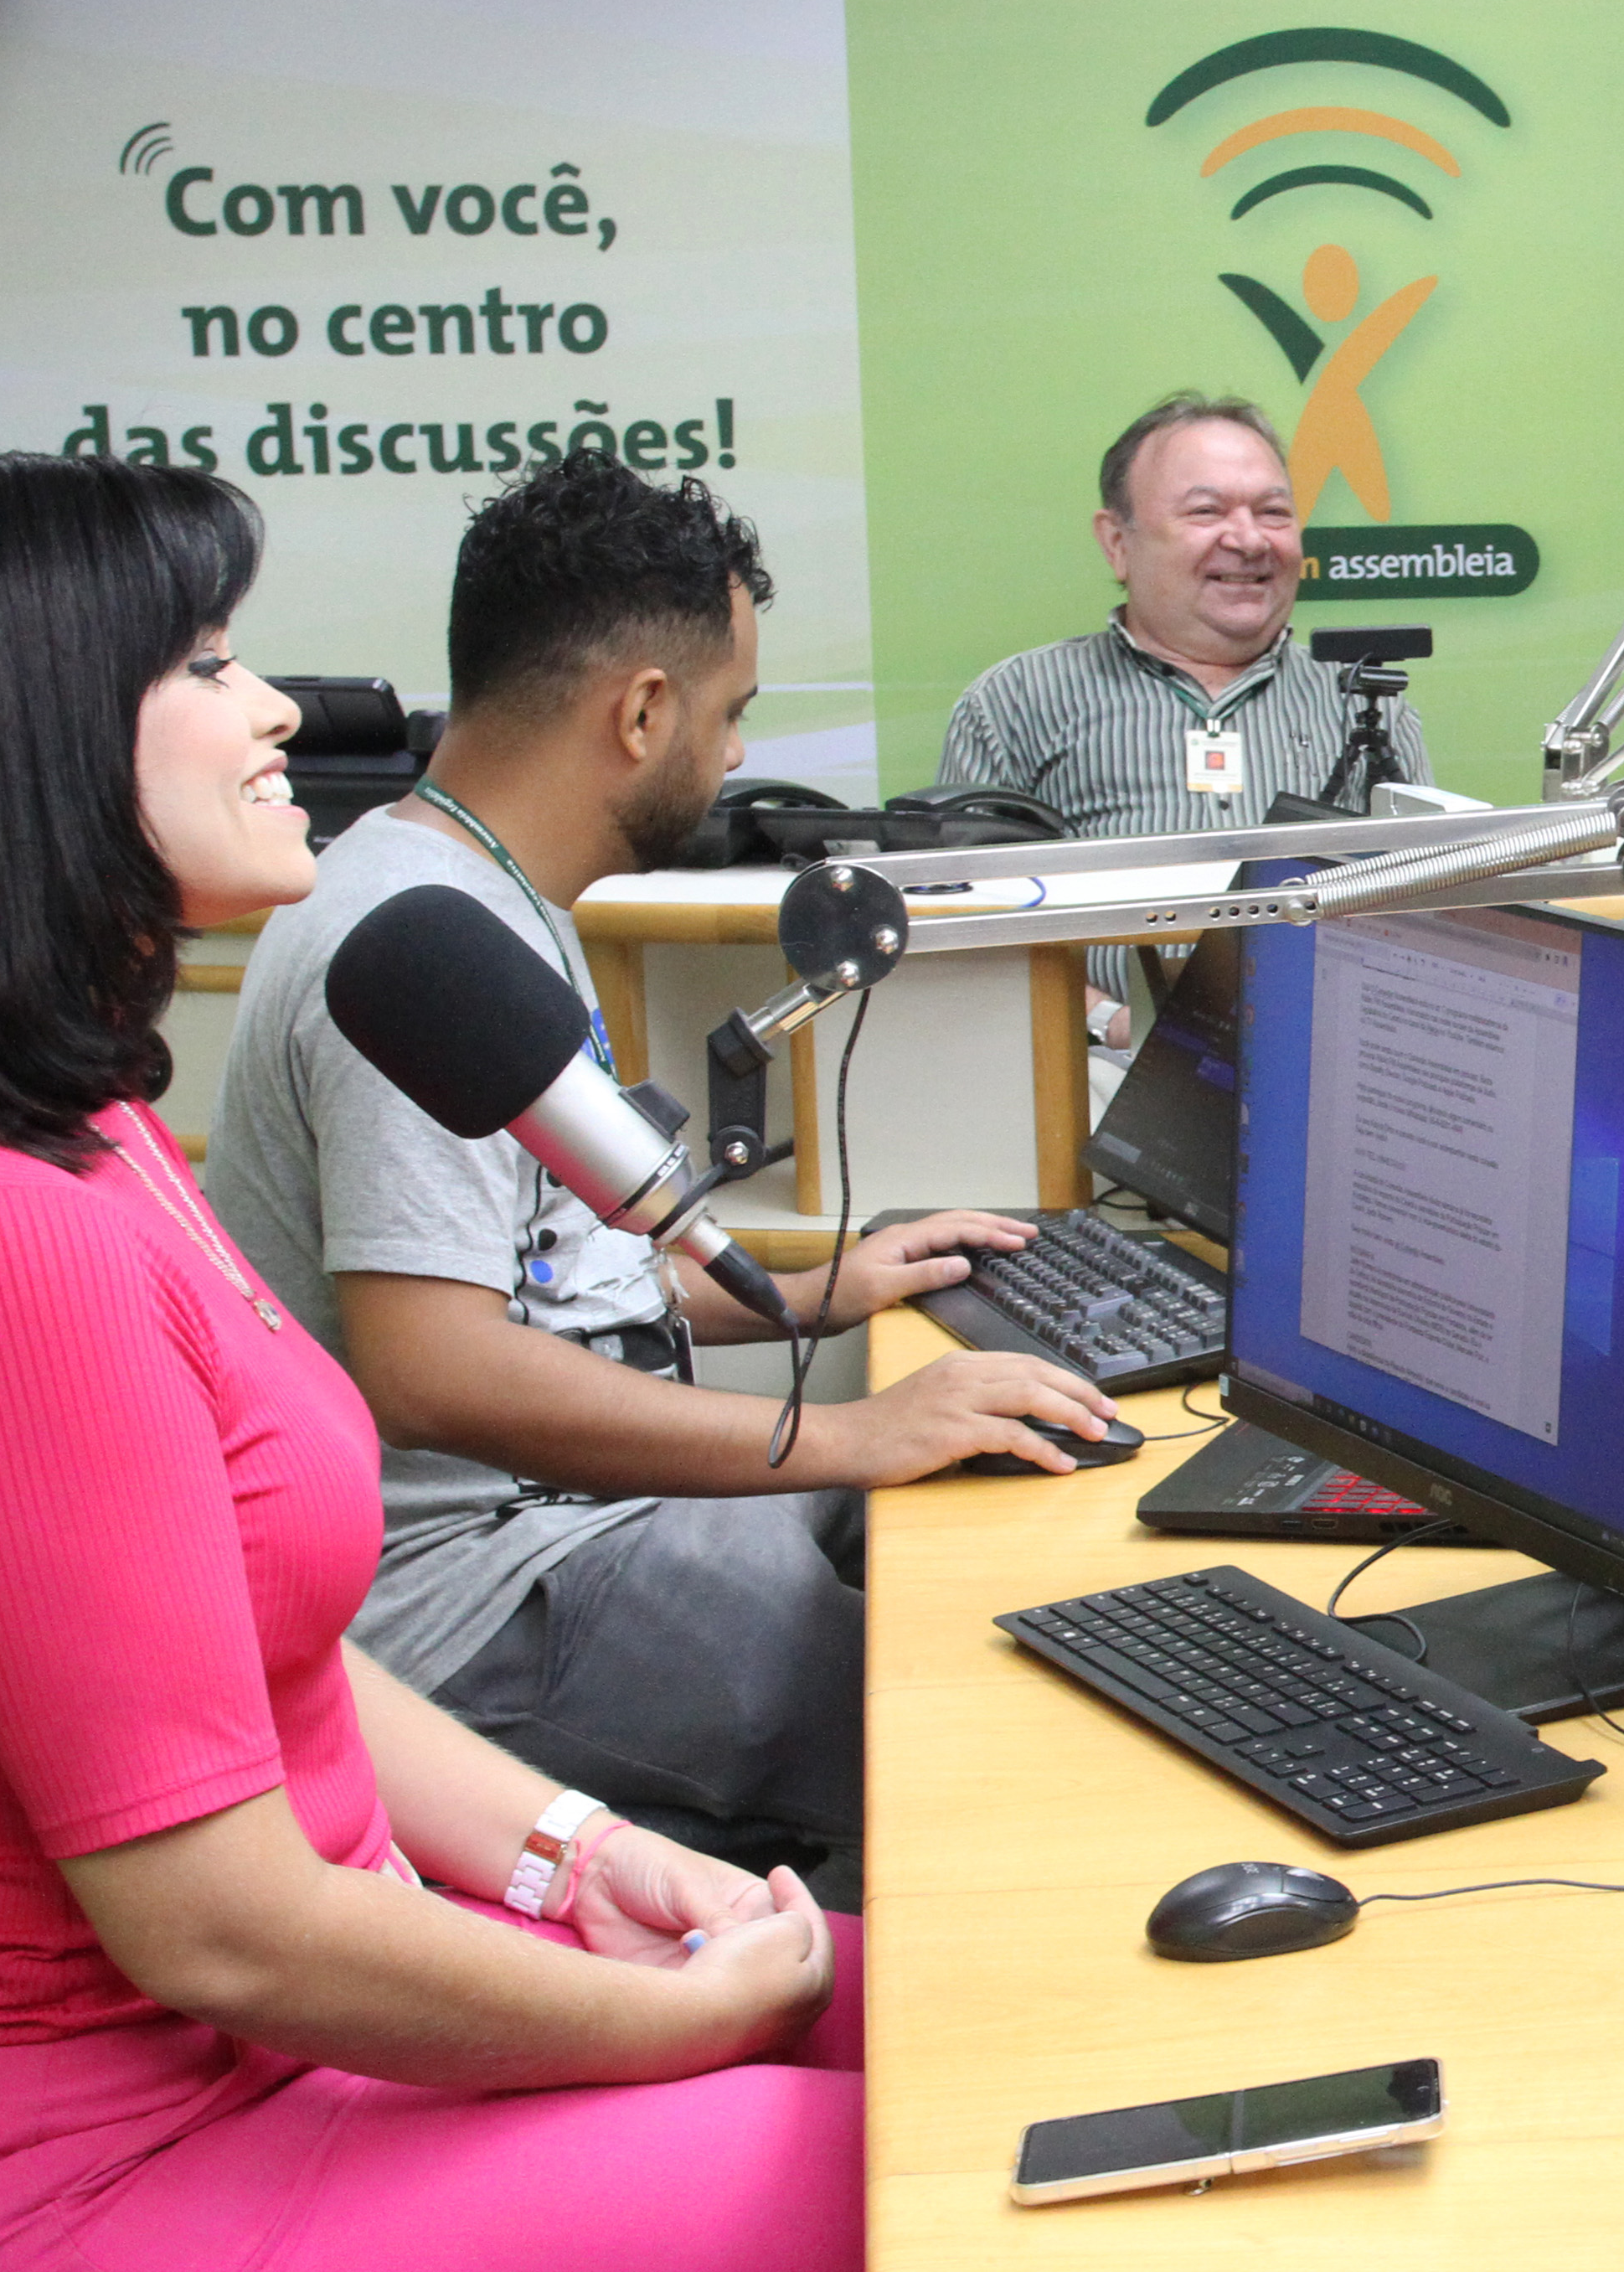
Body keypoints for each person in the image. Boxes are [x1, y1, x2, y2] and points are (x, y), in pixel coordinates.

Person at [0, 454, 864, 2272]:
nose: (277, 705)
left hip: (254, 2080)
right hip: (83, 2211)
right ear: (21, 742)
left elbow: (268, 1659)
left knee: (974, 2031)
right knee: (964, 2191)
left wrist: (575, 1856)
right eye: (205, 665)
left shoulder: (90, 1139)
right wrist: (661, 2025)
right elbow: (224, 1931)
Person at [211, 452, 1121, 1882]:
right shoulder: (409, 951)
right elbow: (433, 1366)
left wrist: (816, 1294)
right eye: (730, 713)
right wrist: (848, 1434)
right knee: (991, 1734)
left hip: (567, 1523)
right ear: (641, 713)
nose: (737, 756)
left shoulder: (488, 891)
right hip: (482, 1591)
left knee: (979, 1531)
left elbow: (546, 1280)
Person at [935, 389, 1429, 841]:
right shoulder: (1016, 704)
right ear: (1117, 543)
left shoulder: (1365, 705)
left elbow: (1424, 893)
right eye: (1206, 511)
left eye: (1273, 512)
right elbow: (965, 896)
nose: (1249, 540)